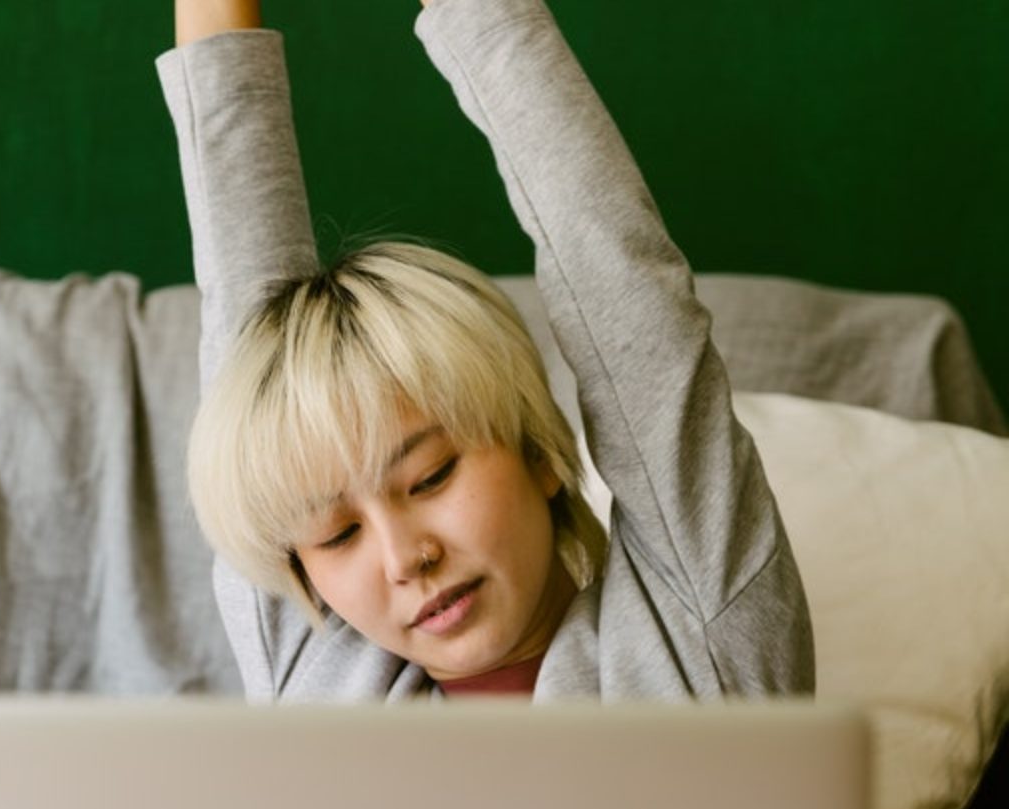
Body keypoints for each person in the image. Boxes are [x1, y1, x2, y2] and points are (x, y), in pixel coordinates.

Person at [157, 0, 815, 702]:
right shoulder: (318, 681)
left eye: (432, 476)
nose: (406, 558)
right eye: (338, 533)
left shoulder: (696, 639)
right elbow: (241, 301)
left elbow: (619, 275)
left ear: (538, 454)